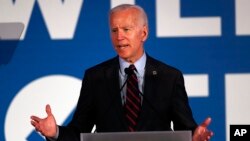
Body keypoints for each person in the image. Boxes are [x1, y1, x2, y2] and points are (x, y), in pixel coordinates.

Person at [31, 4, 213, 141]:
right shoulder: (95, 77)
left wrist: (195, 136)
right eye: (114, 30)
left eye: (126, 29)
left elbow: (185, 128)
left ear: (143, 33)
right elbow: (79, 131)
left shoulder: (169, 77)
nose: (119, 37)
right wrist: (55, 132)